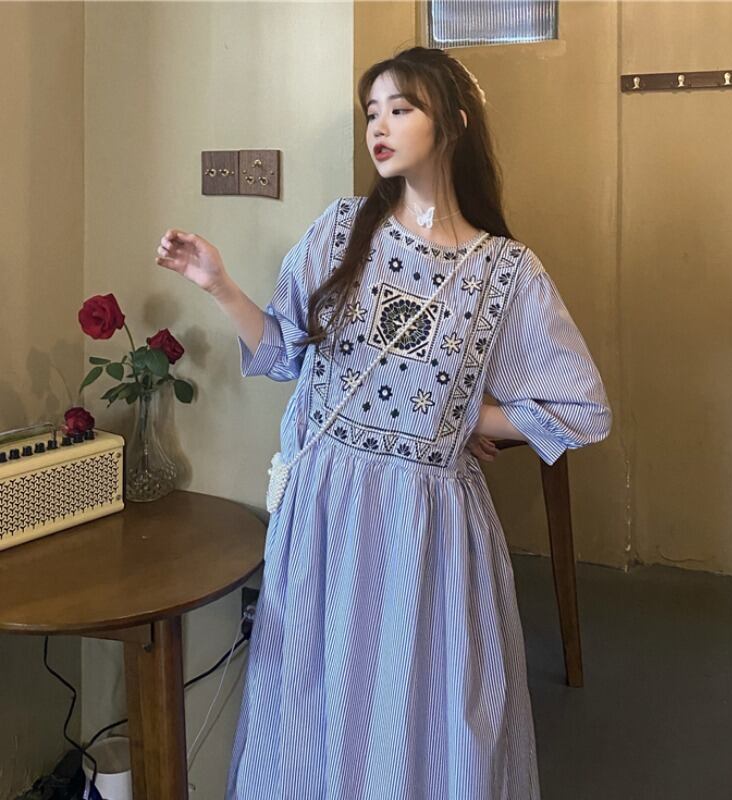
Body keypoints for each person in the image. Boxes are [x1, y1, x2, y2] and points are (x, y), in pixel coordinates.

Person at [155, 45, 611, 800]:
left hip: (428, 531)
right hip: (325, 512)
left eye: (401, 109)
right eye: (372, 111)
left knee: (423, 716)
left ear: (454, 123)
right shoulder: (341, 230)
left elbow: (582, 409)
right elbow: (284, 352)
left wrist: (462, 414)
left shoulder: (507, 271)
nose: (379, 126)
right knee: (314, 707)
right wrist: (218, 283)